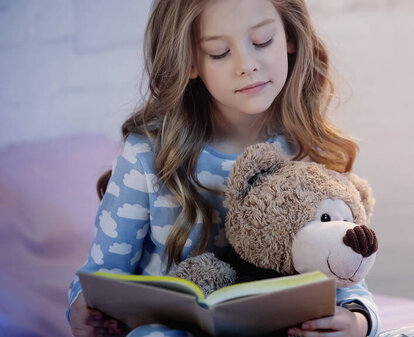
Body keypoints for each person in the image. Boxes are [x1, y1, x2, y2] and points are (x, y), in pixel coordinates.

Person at [68, 0, 377, 336]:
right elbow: (99, 277)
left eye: (261, 41)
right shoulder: (146, 156)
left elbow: (345, 273)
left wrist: (359, 323)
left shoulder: (307, 151)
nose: (247, 65)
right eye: (218, 52)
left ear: (289, 37)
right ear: (189, 61)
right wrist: (82, 311)